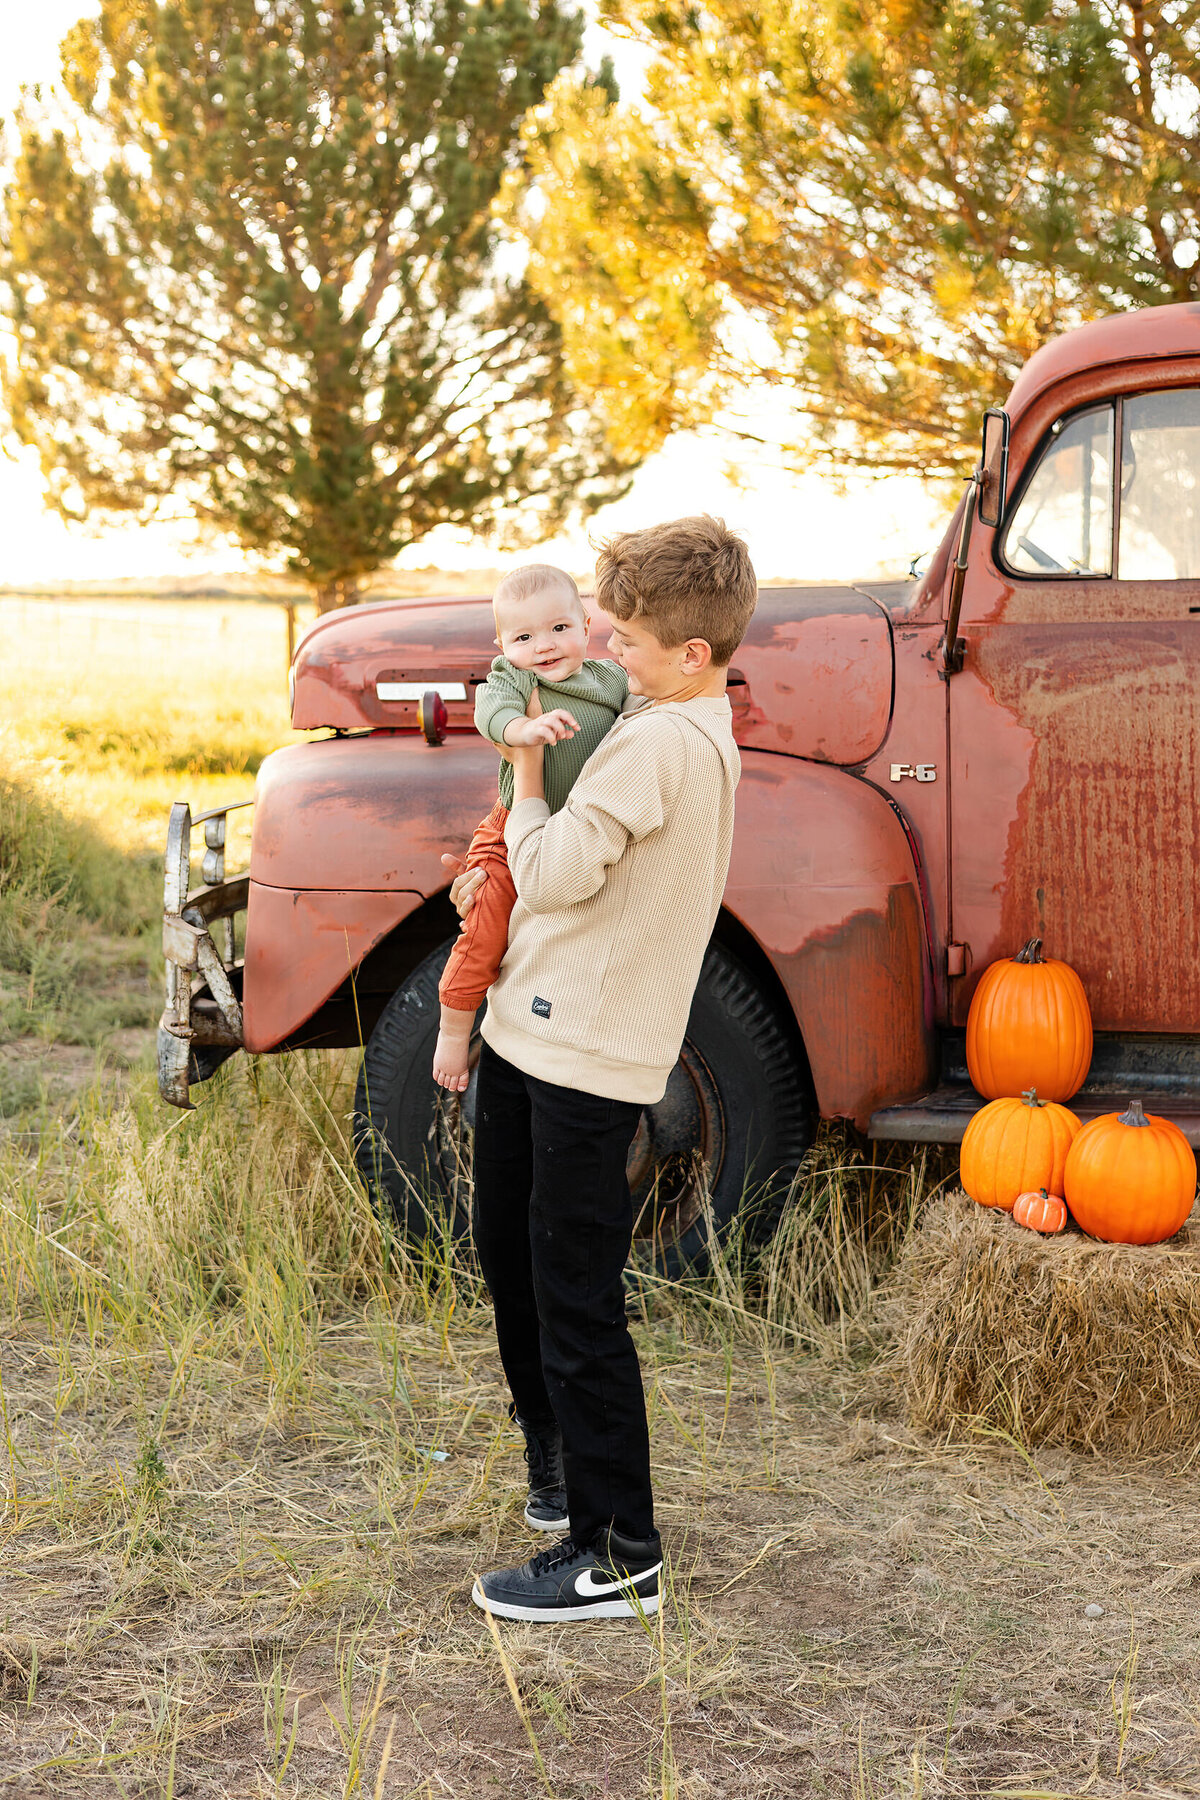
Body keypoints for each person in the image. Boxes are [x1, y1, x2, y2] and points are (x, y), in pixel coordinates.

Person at [457, 516, 757, 1623]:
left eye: (624, 637)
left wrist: (523, 772)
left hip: (583, 1052)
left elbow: (551, 872)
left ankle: (619, 1550)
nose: (605, 651)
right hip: (535, 1030)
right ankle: (561, 1484)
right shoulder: (665, 714)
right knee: (516, 1260)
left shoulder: (662, 741)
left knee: (574, 1294)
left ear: (692, 652)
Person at [431, 563, 630, 1094]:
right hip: (509, 824)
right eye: (523, 636)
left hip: (577, 828)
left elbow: (640, 718)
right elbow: (491, 714)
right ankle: (454, 1028)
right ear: (502, 644)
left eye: (559, 629)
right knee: (486, 921)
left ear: (587, 626)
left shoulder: (610, 680)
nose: (543, 645)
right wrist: (526, 730)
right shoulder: (515, 677)